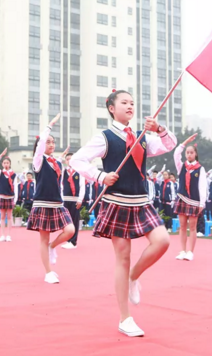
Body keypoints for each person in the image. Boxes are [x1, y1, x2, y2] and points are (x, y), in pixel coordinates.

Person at [71, 90, 176, 338]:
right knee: (123, 257)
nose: (130, 106)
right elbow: (77, 160)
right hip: (116, 201)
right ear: (111, 108)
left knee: (162, 241)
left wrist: (159, 129)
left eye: (132, 103)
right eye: (124, 102)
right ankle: (124, 318)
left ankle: (133, 277)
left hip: (141, 201)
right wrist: (100, 176)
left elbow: (170, 145)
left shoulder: (142, 136)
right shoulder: (105, 138)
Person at [26, 113, 75, 284]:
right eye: (48, 142)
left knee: (70, 230)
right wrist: (50, 125)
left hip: (57, 204)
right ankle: (48, 272)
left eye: (53, 142)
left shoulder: (57, 163)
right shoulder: (38, 161)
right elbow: (40, 146)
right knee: (44, 238)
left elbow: (58, 182)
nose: (51, 144)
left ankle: (52, 247)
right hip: (42, 203)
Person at [173, 134, 206, 261]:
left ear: (195, 154)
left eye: (191, 152)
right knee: (182, 226)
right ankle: (182, 251)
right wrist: (185, 142)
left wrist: (202, 203)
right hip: (182, 198)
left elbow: (202, 186)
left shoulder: (200, 169)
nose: (189, 154)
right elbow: (176, 154)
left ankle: (190, 252)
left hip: (194, 201)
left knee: (192, 227)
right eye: (187, 152)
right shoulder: (181, 166)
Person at [0, 149, 20, 242]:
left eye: (7, 163)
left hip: (10, 197)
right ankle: (2, 235)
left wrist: (15, 199)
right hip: (1, 196)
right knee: (2, 217)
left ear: (10, 164)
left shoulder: (13, 175)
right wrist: (1, 155)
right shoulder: (0, 173)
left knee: (9, 217)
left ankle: (8, 235)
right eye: (4, 163)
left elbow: (16, 187)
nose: (6, 164)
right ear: (2, 164)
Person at [61, 151, 85, 249]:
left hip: (75, 200)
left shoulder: (79, 172)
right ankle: (68, 240)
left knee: (74, 221)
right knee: (66, 222)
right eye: (67, 159)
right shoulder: (63, 171)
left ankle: (73, 242)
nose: (69, 161)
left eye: (71, 159)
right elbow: (60, 185)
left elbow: (82, 186)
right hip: (65, 199)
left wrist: (80, 199)